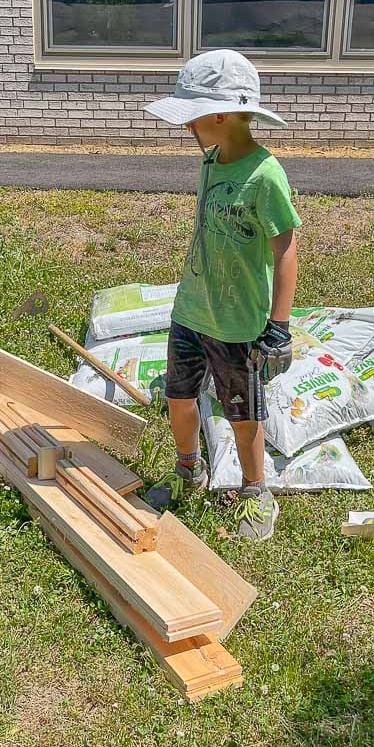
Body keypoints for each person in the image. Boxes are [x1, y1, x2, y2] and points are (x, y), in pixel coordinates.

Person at [144, 50, 301, 540]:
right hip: (191, 310)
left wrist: (279, 326)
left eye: (191, 118)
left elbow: (286, 250)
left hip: (237, 324)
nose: (185, 128)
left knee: (242, 414)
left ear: (219, 115)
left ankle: (256, 491)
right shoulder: (211, 159)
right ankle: (189, 467)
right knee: (179, 396)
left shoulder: (264, 175)